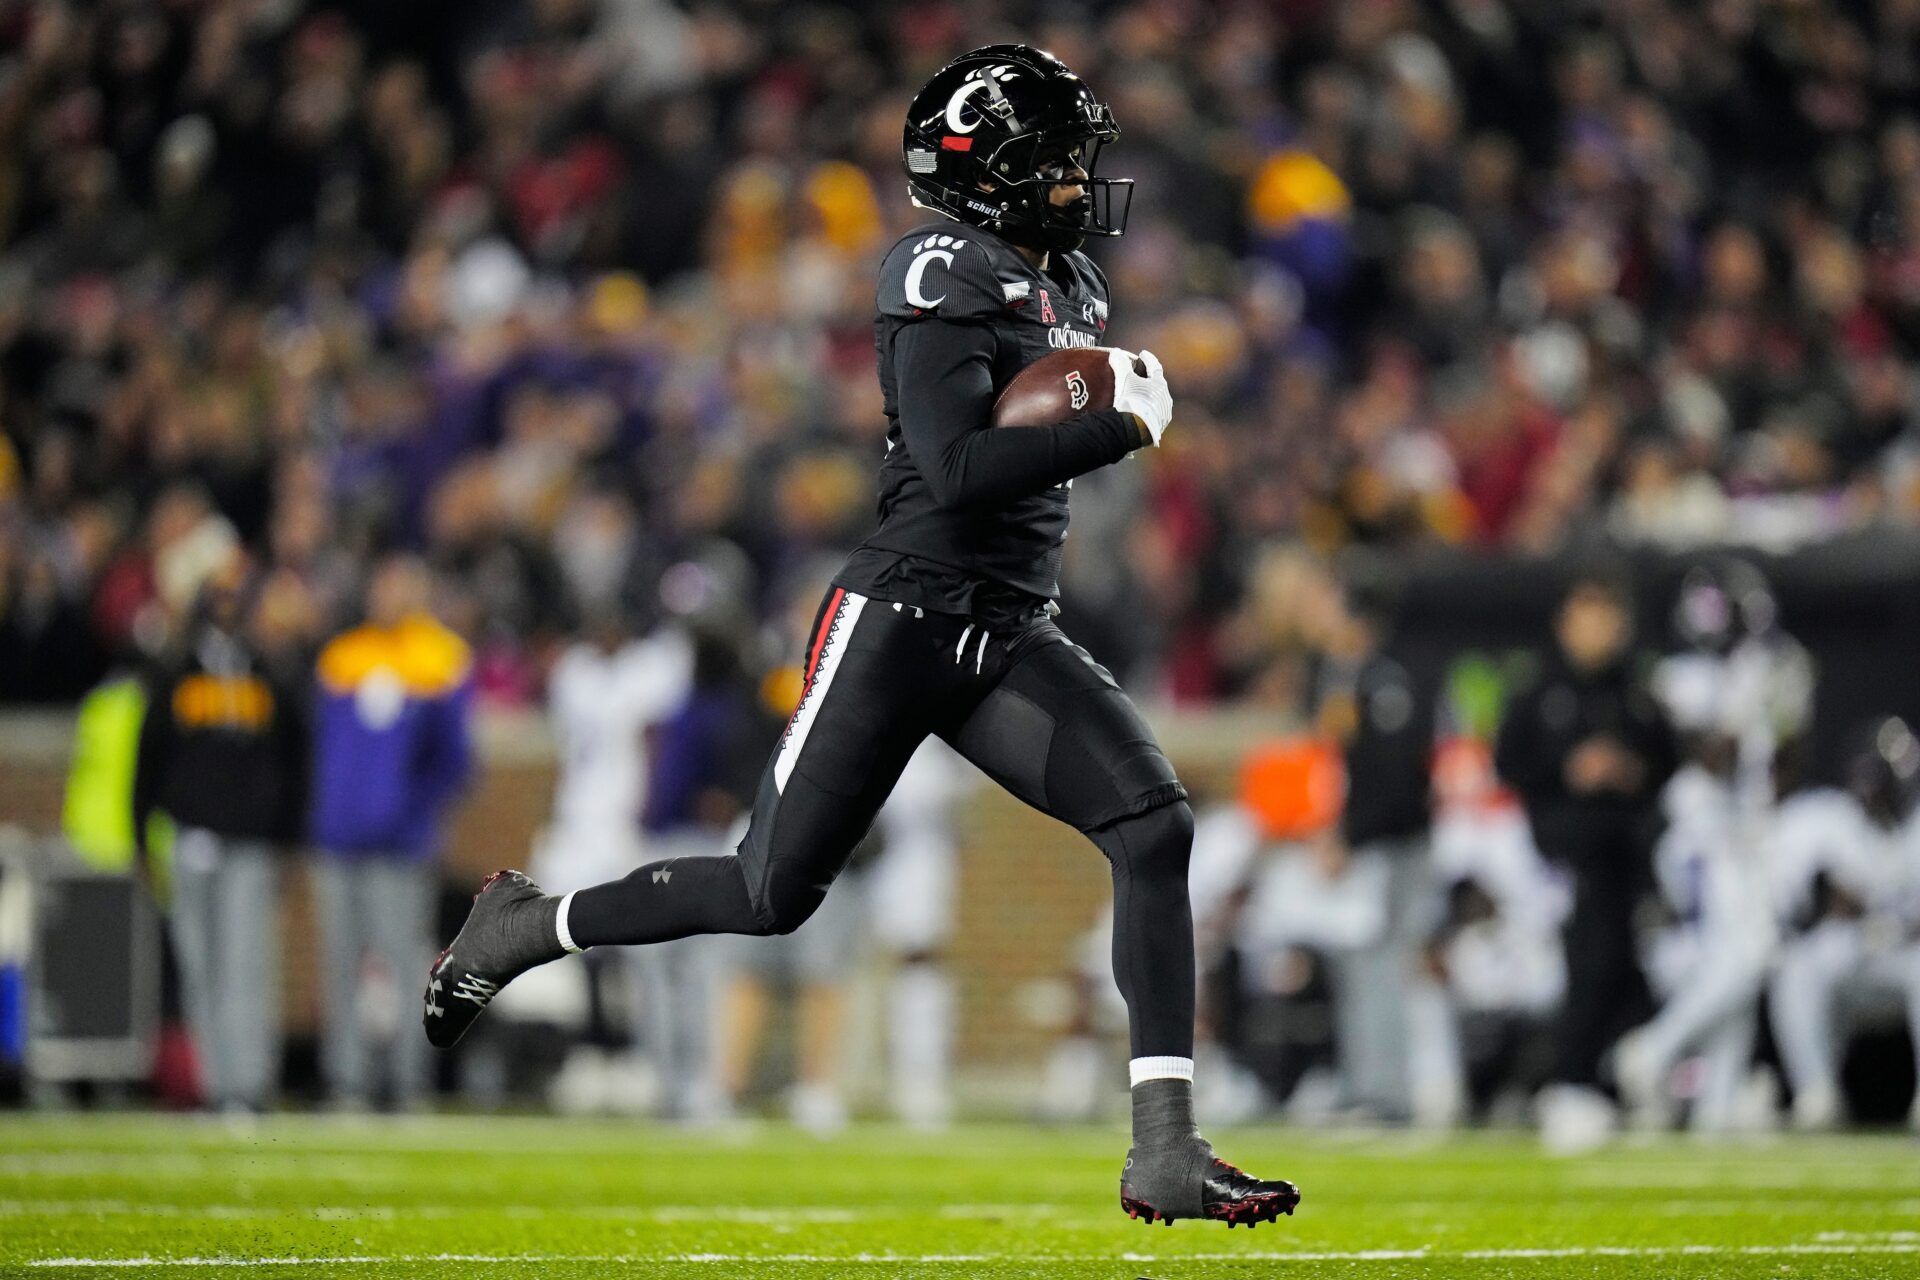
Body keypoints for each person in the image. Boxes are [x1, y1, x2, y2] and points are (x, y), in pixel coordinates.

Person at [424, 45, 1299, 1225]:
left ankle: (1162, 1145)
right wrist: (1111, 424)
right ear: (986, 171)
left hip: (1005, 625)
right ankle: (526, 925)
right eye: (1051, 162)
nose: (1075, 182)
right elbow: (956, 465)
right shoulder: (940, 265)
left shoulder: (1074, 279)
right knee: (768, 888)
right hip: (904, 612)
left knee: (1155, 824)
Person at [1494, 569, 1677, 1153]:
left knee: (1624, 963)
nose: (1597, 630)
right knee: (1586, 962)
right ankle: (1572, 1082)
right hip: (1556, 853)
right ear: (1565, 623)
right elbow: (1509, 762)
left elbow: (1667, 762)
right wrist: (1568, 771)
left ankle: (1613, 1082)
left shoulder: (1637, 690)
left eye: (1607, 617)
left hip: (1627, 850)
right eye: (1587, 616)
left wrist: (1630, 772)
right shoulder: (1539, 688)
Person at [131, 560, 308, 1113]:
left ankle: (246, 1085)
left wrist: (286, 838)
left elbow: (295, 760)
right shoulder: (176, 673)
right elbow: (148, 759)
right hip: (190, 838)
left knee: (246, 964)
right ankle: (211, 1084)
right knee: (201, 964)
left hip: (249, 843)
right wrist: (140, 837)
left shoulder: (267, 676)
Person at [312, 554, 473, 1110]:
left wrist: (413, 814)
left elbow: (455, 761)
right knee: (341, 963)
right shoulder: (342, 656)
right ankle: (347, 1081)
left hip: (401, 845)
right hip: (338, 837)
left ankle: (408, 1082)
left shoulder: (440, 658)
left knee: (404, 963)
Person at [1312, 588, 1436, 1124]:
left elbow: (1398, 778)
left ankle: (1386, 1093)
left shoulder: (1384, 682)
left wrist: (1352, 834)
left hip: (1391, 847)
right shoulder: (1341, 677)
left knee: (1379, 964)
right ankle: (1364, 1082)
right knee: (1358, 965)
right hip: (1366, 844)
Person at [1768, 720, 1920, 1131]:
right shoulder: (1829, 820)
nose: (1873, 790)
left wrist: (1898, 924)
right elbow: (1808, 903)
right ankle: (1816, 1091)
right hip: (1855, 959)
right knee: (1799, 967)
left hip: (1906, 960)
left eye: (1883, 778)